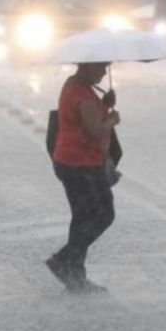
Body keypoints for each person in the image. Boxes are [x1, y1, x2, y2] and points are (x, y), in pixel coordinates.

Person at [47, 62, 120, 294]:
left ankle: (75, 278)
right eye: (100, 68)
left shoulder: (74, 85)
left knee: (82, 218)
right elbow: (94, 131)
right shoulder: (82, 94)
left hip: (70, 161)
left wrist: (104, 104)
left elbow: (83, 117)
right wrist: (112, 119)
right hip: (82, 165)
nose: (103, 73)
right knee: (103, 214)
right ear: (88, 67)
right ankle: (65, 260)